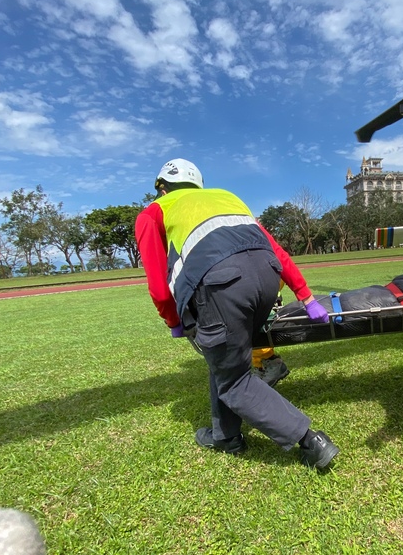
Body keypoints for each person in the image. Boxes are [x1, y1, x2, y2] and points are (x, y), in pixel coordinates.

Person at [135, 158, 339, 469]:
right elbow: (277, 251)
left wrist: (173, 321)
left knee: (234, 380)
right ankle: (226, 436)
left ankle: (311, 441)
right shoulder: (227, 198)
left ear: (161, 188)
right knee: (224, 358)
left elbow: (159, 286)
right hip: (268, 278)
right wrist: (305, 295)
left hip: (223, 284)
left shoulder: (153, 212)